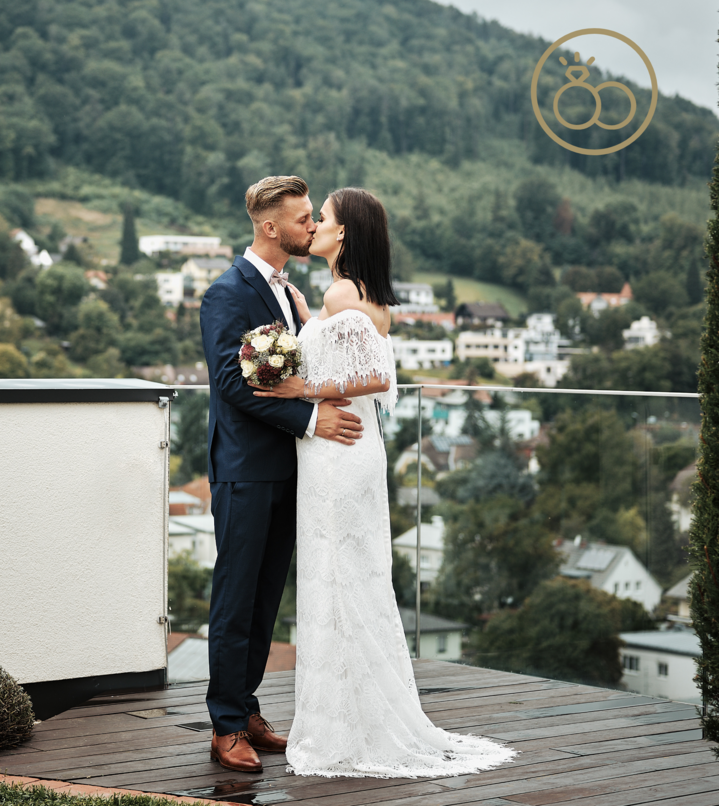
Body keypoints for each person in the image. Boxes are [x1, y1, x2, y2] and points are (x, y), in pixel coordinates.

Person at [255, 187, 515, 778]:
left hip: (336, 449)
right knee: (351, 578)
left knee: (335, 578)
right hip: (355, 447)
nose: (314, 225)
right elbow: (348, 356)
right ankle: (359, 718)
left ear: (343, 232)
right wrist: (307, 320)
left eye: (322, 217)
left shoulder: (341, 292)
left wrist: (299, 389)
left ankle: (343, 730)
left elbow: (374, 377)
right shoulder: (361, 294)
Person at [199, 176, 366, 773]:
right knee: (235, 600)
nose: (312, 227)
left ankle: (246, 710)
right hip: (245, 471)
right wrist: (311, 420)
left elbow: (289, 371)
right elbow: (231, 384)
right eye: (302, 219)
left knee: (265, 599)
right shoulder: (226, 293)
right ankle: (224, 727)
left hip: (289, 470)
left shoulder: (287, 294)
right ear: (271, 227)